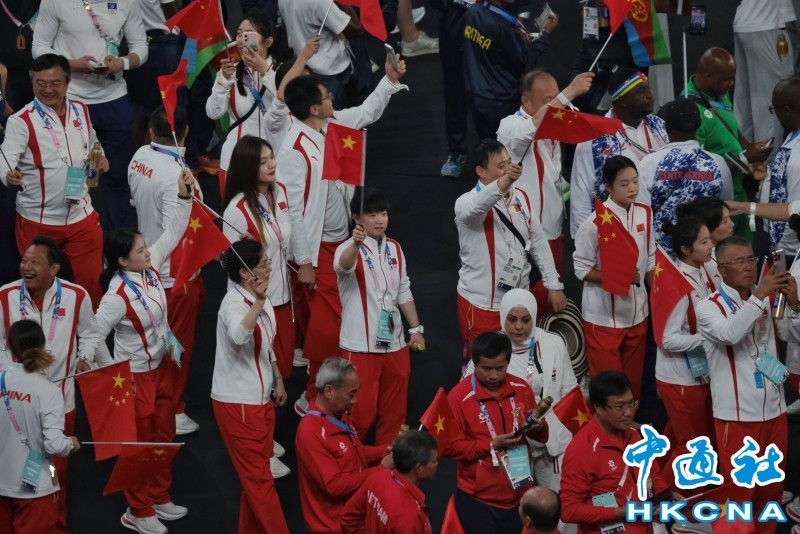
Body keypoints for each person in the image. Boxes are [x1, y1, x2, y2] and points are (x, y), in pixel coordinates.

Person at [278, 66, 407, 415]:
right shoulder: (293, 149)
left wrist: (389, 81)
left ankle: (322, 391)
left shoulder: (329, 126)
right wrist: (305, 262)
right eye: (326, 96)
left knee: (335, 321)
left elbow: (365, 112)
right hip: (318, 251)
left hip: (343, 241)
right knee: (330, 325)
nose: (332, 97)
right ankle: (313, 396)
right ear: (313, 108)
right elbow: (294, 211)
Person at [94, 170, 195, 534]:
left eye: (143, 246)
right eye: (139, 249)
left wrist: (184, 198)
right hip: (135, 377)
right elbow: (92, 337)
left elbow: (173, 232)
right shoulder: (116, 296)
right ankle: (138, 509)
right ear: (123, 261)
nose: (147, 251)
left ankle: (159, 494)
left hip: (162, 367)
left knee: (164, 436)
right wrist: (114, 374)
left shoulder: (150, 268)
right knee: (138, 445)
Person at [0, 235, 110, 533]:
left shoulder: (76, 296)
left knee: (52, 473)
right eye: (24, 260)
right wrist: (17, 377)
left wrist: (85, 356)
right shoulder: (4, 296)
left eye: (35, 262)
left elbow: (90, 333)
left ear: (54, 268)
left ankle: (55, 526)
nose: (26, 267)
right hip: (15, 404)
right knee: (9, 471)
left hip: (60, 404)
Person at [695, 236, 800, 534]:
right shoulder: (708, 307)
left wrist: (795, 305)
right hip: (737, 418)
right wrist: (760, 296)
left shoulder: (768, 300)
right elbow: (730, 334)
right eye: (738, 261)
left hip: (775, 412)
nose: (748, 266)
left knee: (771, 492)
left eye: (751, 259)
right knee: (740, 495)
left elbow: (792, 335)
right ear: (721, 269)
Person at [0, 54, 108, 308]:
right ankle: (37, 332)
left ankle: (91, 332)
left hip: (82, 216)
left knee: (91, 286)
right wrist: (8, 175)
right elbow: (5, 157)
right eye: (40, 83)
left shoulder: (81, 110)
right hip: (38, 221)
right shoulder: (21, 121)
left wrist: (100, 156)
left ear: (68, 83)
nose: (48, 89)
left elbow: (92, 141)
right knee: (37, 289)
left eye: (55, 83)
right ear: (32, 83)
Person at [32, 0, 149, 231]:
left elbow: (140, 47)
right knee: (70, 175)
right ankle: (68, 237)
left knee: (118, 176)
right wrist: (71, 65)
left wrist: (122, 63)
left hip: (114, 98)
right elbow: (39, 47)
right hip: (71, 98)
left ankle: (117, 243)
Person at [127, 106, 206, 437]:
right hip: (176, 277)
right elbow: (180, 230)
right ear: (185, 132)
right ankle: (173, 409)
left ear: (150, 131)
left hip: (150, 268)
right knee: (176, 347)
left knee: (158, 342)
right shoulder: (179, 178)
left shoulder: (139, 157)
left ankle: (160, 402)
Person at [455, 139, 565, 357]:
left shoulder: (521, 197)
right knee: (484, 367)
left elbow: (538, 242)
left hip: (519, 304)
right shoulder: (465, 203)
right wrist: (506, 180)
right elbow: (478, 206)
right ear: (481, 171)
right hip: (483, 306)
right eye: (501, 166)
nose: (508, 169)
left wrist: (553, 284)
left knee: (522, 365)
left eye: (509, 162)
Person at [497, 70, 593, 314]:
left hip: (552, 229)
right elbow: (532, 127)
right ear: (526, 102)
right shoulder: (510, 127)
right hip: (523, 234)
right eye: (548, 100)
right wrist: (569, 92)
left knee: (550, 305)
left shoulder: (554, 125)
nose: (557, 105)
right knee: (521, 303)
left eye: (557, 96)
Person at [212, 239, 290, 534]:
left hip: (261, 399)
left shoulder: (262, 298)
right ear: (245, 273)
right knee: (259, 481)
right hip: (238, 405)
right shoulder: (232, 304)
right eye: (265, 264)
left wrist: (278, 377)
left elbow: (266, 343)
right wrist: (257, 302)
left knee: (255, 480)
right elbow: (239, 336)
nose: (270, 268)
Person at [335, 188, 424, 444]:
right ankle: (350, 460)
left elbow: (403, 289)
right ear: (356, 218)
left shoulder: (395, 247)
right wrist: (356, 244)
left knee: (395, 415)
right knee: (360, 416)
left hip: (395, 345)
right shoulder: (346, 249)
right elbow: (343, 266)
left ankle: (387, 464)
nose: (379, 220)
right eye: (372, 215)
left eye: (383, 214)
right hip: (360, 347)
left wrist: (416, 329)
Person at [464, 288, 576, 493]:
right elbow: (466, 395)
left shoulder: (554, 343)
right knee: (518, 502)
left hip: (551, 442)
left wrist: (568, 435)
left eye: (526, 320)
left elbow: (570, 392)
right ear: (502, 317)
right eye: (512, 319)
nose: (518, 326)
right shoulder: (489, 348)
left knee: (557, 501)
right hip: (512, 445)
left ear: (534, 316)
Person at [445, 332, 549, 534]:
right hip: (479, 501)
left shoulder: (522, 388)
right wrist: (490, 446)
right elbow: (449, 447)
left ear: (508, 363)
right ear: (474, 363)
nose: (493, 375)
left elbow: (539, 433)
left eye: (500, 368)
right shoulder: (458, 397)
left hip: (521, 496)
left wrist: (539, 428)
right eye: (486, 368)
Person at [573, 155, 655, 401]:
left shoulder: (645, 213)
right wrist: (617, 276)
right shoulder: (594, 223)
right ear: (608, 187)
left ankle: (630, 422)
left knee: (632, 384)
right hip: (603, 318)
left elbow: (651, 258)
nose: (632, 188)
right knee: (608, 389)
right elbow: (580, 268)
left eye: (635, 181)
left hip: (638, 314)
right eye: (624, 183)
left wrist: (658, 300)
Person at [560, 371, 671, 534]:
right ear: (598, 407)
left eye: (631, 403)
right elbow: (568, 510)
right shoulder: (582, 449)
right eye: (620, 406)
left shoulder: (634, 435)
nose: (629, 412)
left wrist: (664, 497)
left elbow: (653, 474)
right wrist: (622, 512)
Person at [682, 47, 773, 239]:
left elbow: (731, 128)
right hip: (716, 204)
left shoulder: (719, 92)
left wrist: (751, 151)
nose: (731, 84)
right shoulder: (689, 110)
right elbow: (697, 171)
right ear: (707, 75)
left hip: (738, 191)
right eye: (727, 79)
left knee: (745, 248)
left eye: (733, 78)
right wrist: (744, 158)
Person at [295, 357, 393, 534]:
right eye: (351, 394)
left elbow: (355, 452)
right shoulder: (310, 432)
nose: (355, 400)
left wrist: (386, 451)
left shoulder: (340, 414)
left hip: (355, 516)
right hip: (335, 526)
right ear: (329, 391)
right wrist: (381, 470)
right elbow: (334, 486)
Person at [0, 319, 80, 534]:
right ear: (42, 346)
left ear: (8, 346)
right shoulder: (49, 391)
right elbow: (54, 445)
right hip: (36, 490)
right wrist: (70, 443)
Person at [570, 68, 668, 238]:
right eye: (641, 91)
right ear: (622, 100)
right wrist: (584, 241)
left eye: (648, 89)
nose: (650, 96)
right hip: (616, 232)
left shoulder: (661, 127)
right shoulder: (594, 138)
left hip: (659, 230)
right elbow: (581, 194)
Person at [655, 218, 716, 478]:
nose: (711, 245)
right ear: (685, 249)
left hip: (699, 372)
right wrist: (711, 337)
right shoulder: (677, 284)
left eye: (709, 238)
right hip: (680, 378)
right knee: (693, 447)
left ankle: (656, 483)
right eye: (704, 242)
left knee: (684, 439)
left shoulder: (702, 270)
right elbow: (667, 340)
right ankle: (671, 495)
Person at [637, 97, 733, 251]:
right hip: (706, 253)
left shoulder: (648, 163)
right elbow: (726, 207)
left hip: (661, 255)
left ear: (666, 126)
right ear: (698, 125)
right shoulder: (717, 163)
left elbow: (641, 214)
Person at [462, 0, 557, 140]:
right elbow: (526, 63)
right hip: (501, 100)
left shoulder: (473, 11)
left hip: (476, 92)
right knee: (506, 145)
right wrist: (545, 35)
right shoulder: (503, 27)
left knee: (486, 143)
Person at [206, 11, 278, 188]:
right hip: (236, 161)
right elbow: (213, 113)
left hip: (273, 163)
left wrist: (267, 73)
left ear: (268, 41)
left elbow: (293, 106)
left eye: (248, 34)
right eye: (239, 34)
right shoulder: (231, 72)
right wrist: (222, 82)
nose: (241, 40)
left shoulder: (282, 71)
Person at [340, 430, 438, 533]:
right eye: (434, 461)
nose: (436, 464)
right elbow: (348, 519)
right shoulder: (409, 518)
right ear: (418, 468)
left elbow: (348, 518)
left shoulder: (378, 478)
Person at [733, 0, 795, 160]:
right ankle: (766, 169)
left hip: (745, 21)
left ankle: (744, 164)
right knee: (773, 104)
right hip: (768, 23)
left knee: (744, 104)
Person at [125, 0, 182, 148]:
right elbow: (173, 12)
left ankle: (138, 159)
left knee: (141, 108)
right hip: (161, 47)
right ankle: (149, 159)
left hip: (135, 44)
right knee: (160, 110)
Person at [278, 0, 353, 108]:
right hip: (330, 70)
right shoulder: (321, 2)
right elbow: (353, 28)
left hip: (302, 66)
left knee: (315, 113)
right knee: (334, 114)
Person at [763, 77, 800, 255]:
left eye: (774, 109)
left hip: (790, 249)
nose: (774, 114)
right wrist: (768, 174)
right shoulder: (793, 135)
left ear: (786, 110)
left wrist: (783, 251)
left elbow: (796, 208)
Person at [676, 197, 734, 285]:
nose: (732, 224)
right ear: (707, 226)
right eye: (725, 221)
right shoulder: (703, 259)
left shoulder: (723, 249)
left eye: (730, 218)